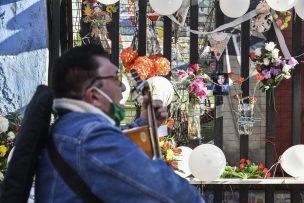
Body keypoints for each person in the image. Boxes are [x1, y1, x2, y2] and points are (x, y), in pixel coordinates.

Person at [35, 44, 204, 203]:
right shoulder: (89, 137)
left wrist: (144, 123)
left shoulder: (71, 128)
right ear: (94, 95)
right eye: (116, 78)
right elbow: (167, 190)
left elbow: (116, 140)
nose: (123, 87)